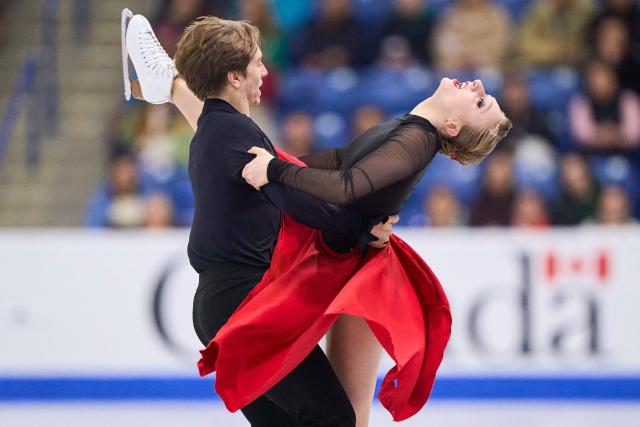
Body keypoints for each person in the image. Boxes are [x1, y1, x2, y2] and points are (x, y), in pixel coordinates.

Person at [123, 13, 395, 427]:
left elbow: (287, 174)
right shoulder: (232, 133)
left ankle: (166, 81)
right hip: (239, 301)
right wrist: (360, 228)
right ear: (234, 76)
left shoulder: (219, 130)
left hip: (226, 300)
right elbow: (293, 196)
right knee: (332, 417)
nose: (265, 71)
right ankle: (167, 81)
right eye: (257, 63)